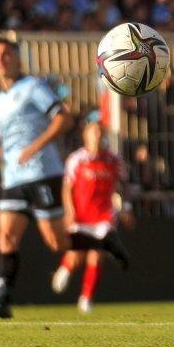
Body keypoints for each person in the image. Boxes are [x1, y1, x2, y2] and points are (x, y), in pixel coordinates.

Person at [0, 38, 128, 319]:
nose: (1, 60)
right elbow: (10, 140)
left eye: (6, 55)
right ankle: (2, 301)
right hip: (13, 177)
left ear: (17, 59)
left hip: (42, 172)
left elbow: (63, 118)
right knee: (5, 237)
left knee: (56, 243)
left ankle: (104, 243)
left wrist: (35, 146)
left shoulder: (33, 87)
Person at [52, 113, 133, 313]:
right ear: (85, 135)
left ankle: (86, 298)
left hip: (104, 215)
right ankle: (66, 268)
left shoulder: (114, 161)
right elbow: (66, 188)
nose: (96, 135)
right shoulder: (77, 160)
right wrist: (69, 212)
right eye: (92, 131)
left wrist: (126, 209)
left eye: (99, 131)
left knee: (97, 254)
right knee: (76, 256)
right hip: (81, 215)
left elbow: (123, 187)